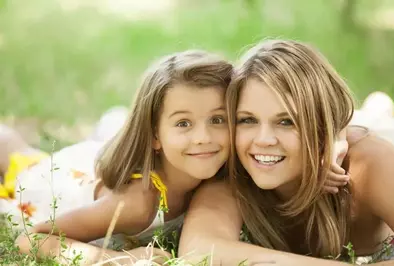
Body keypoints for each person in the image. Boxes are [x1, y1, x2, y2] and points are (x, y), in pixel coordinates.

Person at [2, 49, 233, 265]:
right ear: (154, 135)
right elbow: (31, 240)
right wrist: (121, 259)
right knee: (19, 157)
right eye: (183, 123)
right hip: (56, 184)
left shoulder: (217, 176)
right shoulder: (136, 204)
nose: (204, 137)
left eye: (217, 119)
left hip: (94, 165)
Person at [179, 39, 394, 265]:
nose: (263, 140)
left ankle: (379, 107)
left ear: (321, 124)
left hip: (380, 134)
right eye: (247, 120)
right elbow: (198, 251)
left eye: (286, 121)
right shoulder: (232, 173)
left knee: (378, 120)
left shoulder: (367, 163)